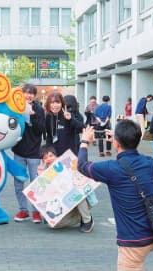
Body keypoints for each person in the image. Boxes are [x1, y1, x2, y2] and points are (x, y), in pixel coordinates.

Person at [78, 120, 153, 271]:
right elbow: (135, 157)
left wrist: (84, 141)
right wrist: (121, 142)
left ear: (116, 144)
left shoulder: (111, 169)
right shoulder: (150, 162)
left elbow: (82, 166)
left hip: (133, 241)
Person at [45, 93, 93, 232]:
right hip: (56, 160)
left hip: (71, 159)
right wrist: (47, 158)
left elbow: (82, 128)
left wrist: (70, 119)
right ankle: (69, 215)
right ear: (48, 104)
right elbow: (49, 137)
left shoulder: (69, 115)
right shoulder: (49, 117)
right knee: (60, 189)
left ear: (62, 103)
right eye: (52, 102)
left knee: (76, 189)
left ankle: (87, 219)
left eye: (57, 102)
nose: (55, 105)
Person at [12, 84, 45, 224]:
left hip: (34, 153)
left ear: (34, 95)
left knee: (36, 184)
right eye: (26, 93)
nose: (28, 95)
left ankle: (36, 212)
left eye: (31, 93)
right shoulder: (15, 108)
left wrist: (32, 117)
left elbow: (40, 130)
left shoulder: (38, 109)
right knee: (18, 183)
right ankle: (23, 210)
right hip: (18, 152)